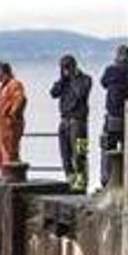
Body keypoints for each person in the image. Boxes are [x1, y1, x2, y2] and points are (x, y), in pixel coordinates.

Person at [50, 54, 92, 192]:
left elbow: (81, 93)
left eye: (68, 67)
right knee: (65, 155)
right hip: (64, 121)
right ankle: (71, 180)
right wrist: (62, 80)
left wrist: (73, 77)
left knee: (80, 154)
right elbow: (53, 93)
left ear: (74, 66)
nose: (65, 70)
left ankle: (82, 182)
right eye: (63, 68)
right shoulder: (64, 81)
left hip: (79, 123)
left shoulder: (86, 79)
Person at [98, 44, 128, 158]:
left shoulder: (111, 70)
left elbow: (103, 83)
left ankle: (109, 174)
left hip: (115, 114)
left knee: (109, 146)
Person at [0, 62, 27, 171]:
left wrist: (11, 115)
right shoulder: (4, 86)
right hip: (0, 129)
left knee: (10, 154)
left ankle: (12, 177)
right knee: (1, 156)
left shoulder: (14, 84)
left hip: (9, 127)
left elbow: (21, 100)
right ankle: (4, 176)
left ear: (2, 72)